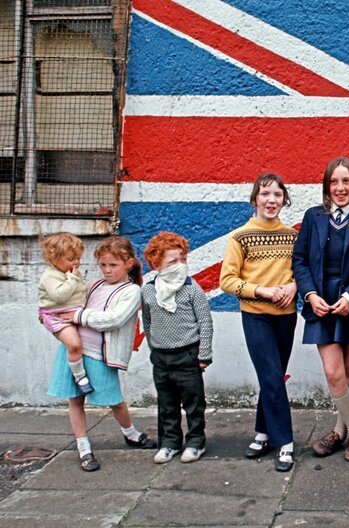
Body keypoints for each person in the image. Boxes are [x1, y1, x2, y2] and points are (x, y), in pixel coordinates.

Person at [293, 157, 349, 462]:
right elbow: (300, 260)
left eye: (346, 181)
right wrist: (309, 294)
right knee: (333, 371)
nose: (340, 188)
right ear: (326, 186)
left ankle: (339, 431)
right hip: (320, 302)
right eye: (334, 181)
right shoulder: (313, 216)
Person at [47, 236, 157, 472]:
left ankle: (130, 433)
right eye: (103, 265)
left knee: (114, 400)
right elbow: (71, 302)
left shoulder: (131, 291)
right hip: (76, 351)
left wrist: (78, 316)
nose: (107, 270)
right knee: (75, 400)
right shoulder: (95, 285)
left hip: (100, 355)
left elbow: (113, 319)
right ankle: (83, 446)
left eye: (113, 265)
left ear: (128, 263)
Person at [219, 172, 298, 472]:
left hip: (286, 317)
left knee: (273, 377)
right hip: (255, 316)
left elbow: (301, 271)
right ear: (255, 199)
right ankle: (285, 442)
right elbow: (227, 280)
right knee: (272, 376)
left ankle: (263, 433)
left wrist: (293, 287)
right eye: (265, 194)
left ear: (284, 200)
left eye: (277, 195)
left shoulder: (292, 236)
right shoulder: (240, 236)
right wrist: (261, 291)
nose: (271, 200)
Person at [142, 232, 213, 464]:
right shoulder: (148, 291)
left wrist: (204, 354)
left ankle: (196, 442)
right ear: (156, 265)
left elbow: (205, 322)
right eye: (173, 261)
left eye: (183, 259)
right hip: (161, 357)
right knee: (167, 404)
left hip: (188, 355)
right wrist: (154, 346)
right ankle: (170, 442)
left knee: (194, 404)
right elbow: (147, 321)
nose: (180, 265)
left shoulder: (192, 289)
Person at [38, 232, 92, 394]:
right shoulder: (50, 276)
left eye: (78, 258)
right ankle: (80, 378)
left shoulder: (69, 273)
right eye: (71, 259)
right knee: (74, 345)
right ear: (54, 258)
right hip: (57, 316)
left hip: (74, 313)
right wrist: (73, 279)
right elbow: (59, 296)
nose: (76, 263)